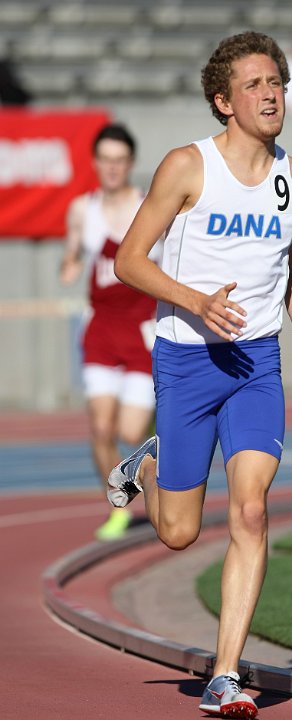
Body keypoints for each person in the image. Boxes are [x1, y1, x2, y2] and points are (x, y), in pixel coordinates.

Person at [107, 32, 292, 718]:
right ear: (223, 101)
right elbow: (129, 260)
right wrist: (195, 300)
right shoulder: (186, 167)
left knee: (250, 510)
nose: (270, 94)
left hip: (254, 366)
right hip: (185, 358)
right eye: (254, 85)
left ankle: (225, 673)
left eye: (277, 83)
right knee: (178, 531)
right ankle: (148, 468)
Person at [60, 123, 162, 541]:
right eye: (106, 160)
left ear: (131, 163)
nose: (113, 168)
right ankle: (118, 505)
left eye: (120, 161)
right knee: (101, 430)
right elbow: (71, 254)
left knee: (130, 434)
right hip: (101, 329)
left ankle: (158, 429)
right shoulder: (82, 210)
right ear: (95, 163)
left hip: (142, 332)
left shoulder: (149, 207)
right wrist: (68, 266)